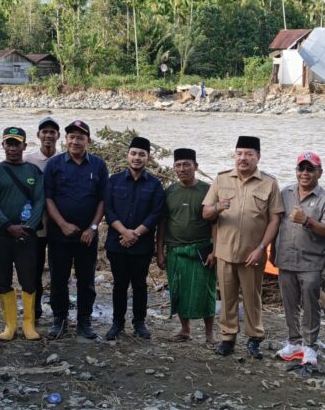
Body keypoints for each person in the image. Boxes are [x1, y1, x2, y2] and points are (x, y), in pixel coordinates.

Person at [202, 135, 283, 359]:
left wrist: (262, 248)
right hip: (225, 251)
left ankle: (255, 338)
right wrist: (217, 207)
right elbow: (206, 213)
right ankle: (227, 338)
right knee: (227, 297)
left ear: (258, 157)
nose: (243, 158)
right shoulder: (221, 179)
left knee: (252, 298)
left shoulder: (269, 183)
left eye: (249, 154)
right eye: (239, 154)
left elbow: (275, 220)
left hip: (252, 253)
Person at [43, 120, 108, 340]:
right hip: (58, 234)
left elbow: (103, 200)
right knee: (58, 279)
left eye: (80, 137)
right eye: (71, 137)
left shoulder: (98, 165)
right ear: (65, 139)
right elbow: (48, 198)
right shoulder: (54, 164)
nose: (75, 141)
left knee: (86, 280)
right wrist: (62, 224)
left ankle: (84, 322)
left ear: (88, 140)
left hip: (87, 236)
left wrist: (93, 227)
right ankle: (59, 321)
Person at [273, 152, 325, 367]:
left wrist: (306, 221)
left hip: (311, 262)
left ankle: (310, 345)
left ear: (320, 172)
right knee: (289, 303)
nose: (305, 173)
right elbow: (275, 223)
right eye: (302, 168)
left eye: (311, 169)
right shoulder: (285, 193)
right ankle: (294, 342)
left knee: (310, 304)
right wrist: (271, 251)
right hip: (285, 258)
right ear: (296, 171)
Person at [0, 127, 44, 342]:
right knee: (2, 279)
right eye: (8, 143)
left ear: (24, 146)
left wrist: (29, 227)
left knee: (29, 279)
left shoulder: (34, 171)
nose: (12, 148)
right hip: (0, 234)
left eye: (16, 143)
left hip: (27, 235)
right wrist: (8, 225)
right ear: (3, 145)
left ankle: (28, 324)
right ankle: (10, 325)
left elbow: (40, 201)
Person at [104, 137, 165, 340]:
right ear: (127, 156)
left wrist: (135, 234)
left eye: (142, 154)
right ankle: (117, 323)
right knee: (119, 284)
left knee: (140, 285)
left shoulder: (155, 185)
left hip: (142, 245)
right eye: (133, 153)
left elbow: (155, 214)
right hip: (117, 243)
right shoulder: (114, 181)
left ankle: (139, 323)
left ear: (148, 158)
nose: (137, 158)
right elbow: (108, 209)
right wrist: (124, 232)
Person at [155, 148, 217, 345]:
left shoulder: (208, 190)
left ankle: (209, 334)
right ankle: (185, 330)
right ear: (174, 167)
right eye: (178, 165)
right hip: (175, 249)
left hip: (202, 249)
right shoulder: (169, 192)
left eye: (186, 165)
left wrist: (215, 250)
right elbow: (162, 223)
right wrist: (159, 251)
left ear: (195, 166)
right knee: (178, 290)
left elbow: (215, 223)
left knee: (206, 292)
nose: (182, 169)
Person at [24, 116, 61, 322]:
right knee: (34, 268)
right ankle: (34, 309)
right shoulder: (28, 160)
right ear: (38, 135)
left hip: (58, 225)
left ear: (58, 136)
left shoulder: (64, 160)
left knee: (58, 270)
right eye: (44, 132)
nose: (48, 136)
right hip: (35, 225)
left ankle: (58, 311)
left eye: (52, 132)